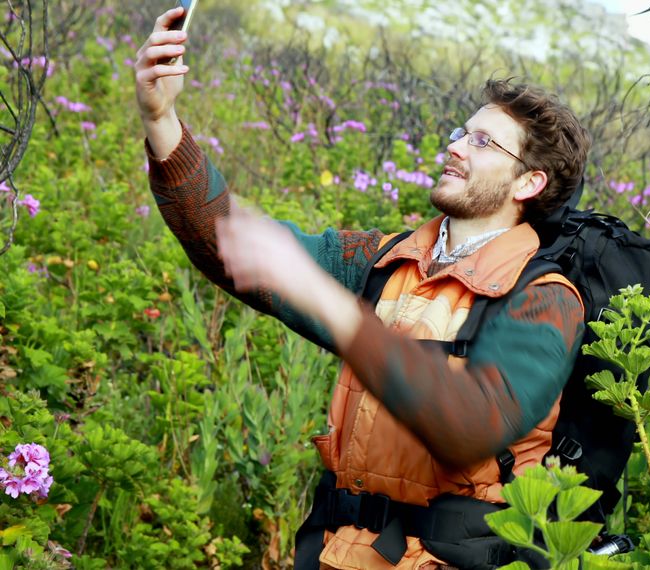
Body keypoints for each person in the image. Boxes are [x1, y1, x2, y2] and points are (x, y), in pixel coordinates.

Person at [134, 6, 592, 570]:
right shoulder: (381, 260)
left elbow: (469, 423)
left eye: (482, 143)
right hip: (333, 553)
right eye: (460, 133)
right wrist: (162, 120)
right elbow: (230, 244)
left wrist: (330, 304)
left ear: (529, 182)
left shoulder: (545, 299)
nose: (454, 147)